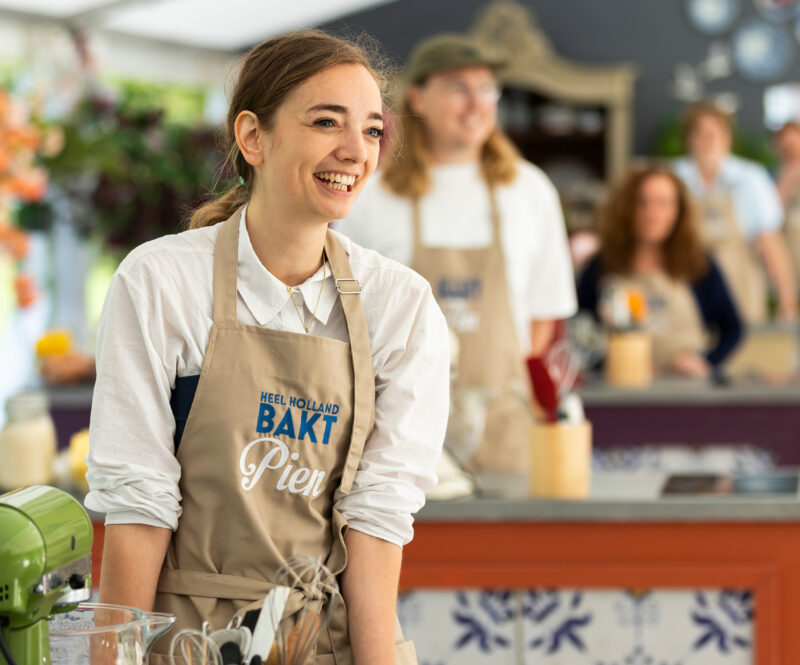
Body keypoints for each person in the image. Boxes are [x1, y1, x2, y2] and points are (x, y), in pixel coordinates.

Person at [85, 30, 450, 665]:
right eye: (325, 121)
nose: (354, 151)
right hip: (186, 644)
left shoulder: (401, 306)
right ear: (253, 137)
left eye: (370, 130)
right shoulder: (162, 282)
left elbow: (377, 519)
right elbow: (139, 501)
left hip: (327, 641)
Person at [339, 33, 577, 473]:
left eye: (487, 89)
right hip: (397, 431)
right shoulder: (370, 196)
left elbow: (544, 319)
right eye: (458, 89)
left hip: (504, 426)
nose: (476, 104)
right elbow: (346, 313)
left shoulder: (529, 191)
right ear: (419, 99)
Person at [577, 165, 743, 377]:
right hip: (621, 393)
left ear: (679, 210)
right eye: (642, 202)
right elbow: (579, 331)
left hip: (686, 392)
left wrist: (706, 362)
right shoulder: (601, 266)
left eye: (663, 203)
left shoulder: (699, 265)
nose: (652, 213)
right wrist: (604, 365)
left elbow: (734, 328)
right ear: (626, 209)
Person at [674, 102, 796, 323]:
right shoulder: (674, 178)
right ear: (689, 138)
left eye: (715, 132)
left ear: (728, 137)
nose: (708, 139)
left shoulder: (750, 178)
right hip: (685, 294)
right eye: (700, 133)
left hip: (740, 290)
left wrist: (786, 301)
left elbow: (769, 241)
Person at [774, 121, 800, 277]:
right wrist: (787, 179)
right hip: (787, 257)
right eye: (787, 148)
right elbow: (770, 215)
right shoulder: (772, 177)